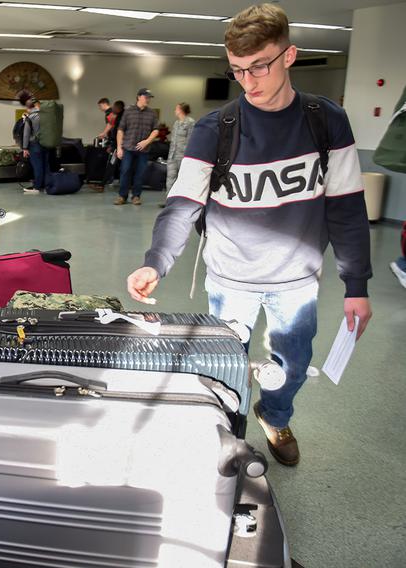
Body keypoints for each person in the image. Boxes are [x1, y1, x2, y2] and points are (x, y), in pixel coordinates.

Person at [126, 3, 372, 467]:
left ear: (289, 56)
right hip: (230, 277)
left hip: (296, 281)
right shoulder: (215, 129)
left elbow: (346, 207)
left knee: (292, 368)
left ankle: (274, 415)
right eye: (238, 70)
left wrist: (355, 286)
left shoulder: (326, 120)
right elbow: (184, 205)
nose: (250, 81)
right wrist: (155, 261)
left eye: (260, 66)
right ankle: (230, 438)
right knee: (229, 368)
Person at [115, 88, 159, 205]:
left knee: (140, 173)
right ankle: (122, 196)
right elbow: (120, 130)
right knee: (125, 171)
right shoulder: (128, 111)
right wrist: (119, 147)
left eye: (149, 98)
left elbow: (155, 130)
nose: (148, 100)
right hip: (128, 147)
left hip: (143, 150)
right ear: (139, 97)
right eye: (146, 97)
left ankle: (136, 196)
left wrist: (147, 141)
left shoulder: (152, 113)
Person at [161, 102, 196, 206]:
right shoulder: (176, 123)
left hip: (184, 156)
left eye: (176, 109)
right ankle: (169, 201)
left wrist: (189, 156)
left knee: (183, 179)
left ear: (181, 110)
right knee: (170, 178)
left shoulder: (190, 122)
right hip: (172, 155)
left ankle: (182, 202)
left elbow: (192, 139)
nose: (175, 111)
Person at [18, 92, 48, 194]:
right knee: (46, 166)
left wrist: (25, 148)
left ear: (28, 108)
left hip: (35, 145)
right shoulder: (46, 115)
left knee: (37, 166)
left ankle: (37, 187)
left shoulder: (30, 117)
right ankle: (46, 185)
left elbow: (26, 134)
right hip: (46, 143)